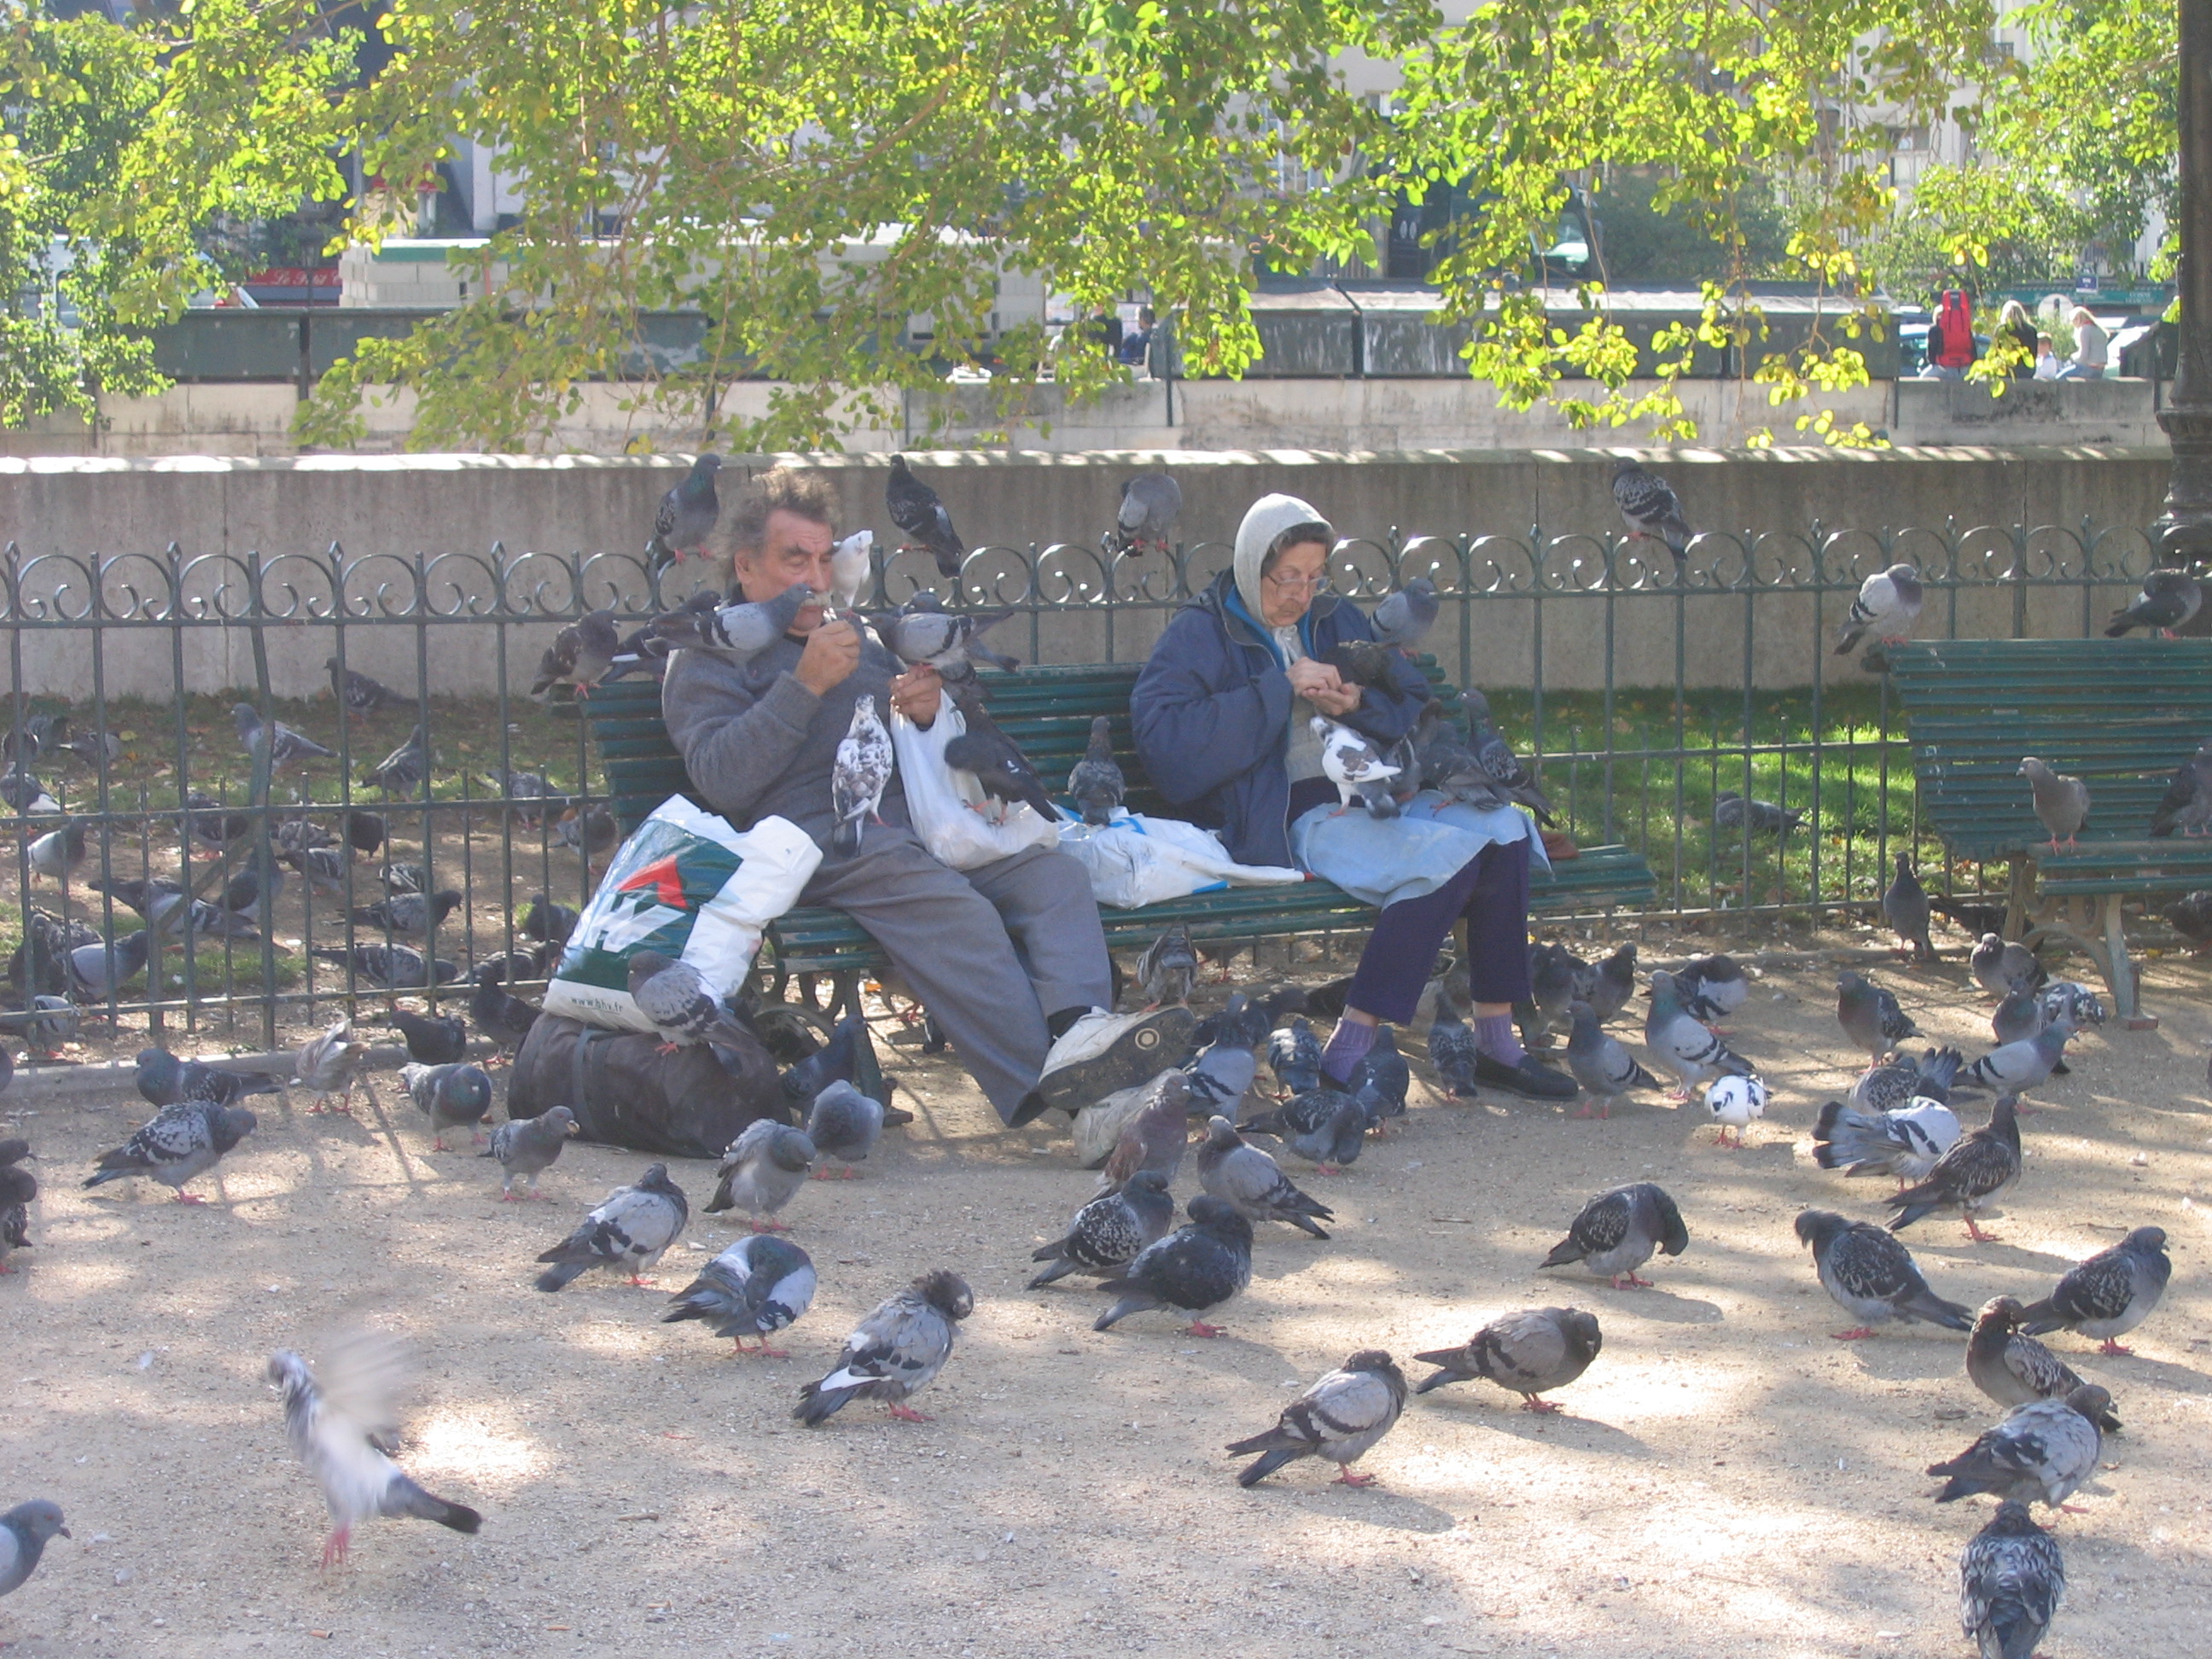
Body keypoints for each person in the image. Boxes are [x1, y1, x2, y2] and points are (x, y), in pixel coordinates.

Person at [661, 467, 1166, 1127]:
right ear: (746, 566)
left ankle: (1082, 1044)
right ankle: (1065, 1101)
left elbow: (920, 743)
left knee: (1056, 879)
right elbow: (722, 778)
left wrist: (925, 711)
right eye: (795, 560)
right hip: (826, 839)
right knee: (958, 913)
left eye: (824, 556)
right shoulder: (712, 656)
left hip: (922, 825)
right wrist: (803, 684)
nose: (816, 578)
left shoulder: (861, 636)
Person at [1129, 493, 1575, 1101]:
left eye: (1314, 578)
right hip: (1289, 810)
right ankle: (1350, 1047)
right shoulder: (1203, 632)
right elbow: (1165, 744)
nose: (1301, 595)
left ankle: (1498, 1044)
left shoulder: (1337, 619)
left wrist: (1361, 705)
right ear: (1251, 564)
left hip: (1378, 788)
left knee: (1503, 831)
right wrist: (1278, 689)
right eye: (1287, 578)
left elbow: (1415, 703)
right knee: (1443, 862)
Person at [1922, 284, 1977, 381]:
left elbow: (1931, 356)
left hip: (1943, 368)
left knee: (1923, 378)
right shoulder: (1965, 326)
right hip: (1964, 368)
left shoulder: (1934, 329)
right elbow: (1973, 351)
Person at [2063, 306, 2108, 379]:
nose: (2073, 324)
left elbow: (2084, 356)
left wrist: (2072, 357)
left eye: (2073, 321)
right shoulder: (2098, 329)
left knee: (2060, 377)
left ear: (2078, 319)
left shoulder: (2084, 329)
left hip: (2089, 368)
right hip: (2100, 370)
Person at [1997, 300, 2037, 376]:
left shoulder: (2001, 330)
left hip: (2007, 370)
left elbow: (1997, 352)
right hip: (2027, 370)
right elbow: (2034, 353)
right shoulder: (2031, 330)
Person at [1119, 306, 1156, 370]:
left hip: (1137, 367)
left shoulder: (1140, 338)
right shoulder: (1156, 335)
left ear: (1142, 319)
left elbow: (1138, 359)